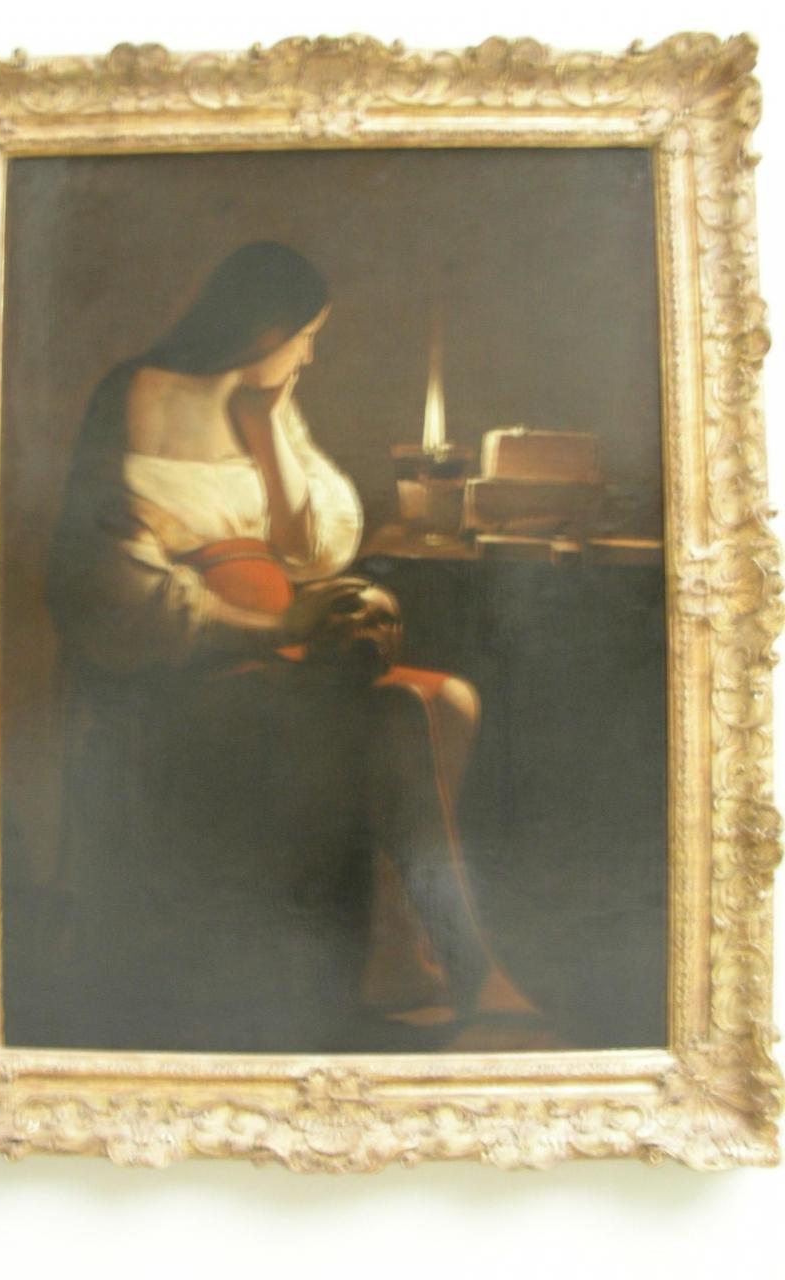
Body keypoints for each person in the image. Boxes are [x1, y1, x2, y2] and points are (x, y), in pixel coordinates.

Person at [38, 241, 532, 1052]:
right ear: (264, 327)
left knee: (452, 699)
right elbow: (113, 592)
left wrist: (269, 428)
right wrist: (280, 626)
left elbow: (313, 551)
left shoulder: (261, 399)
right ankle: (467, 959)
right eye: (306, 336)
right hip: (183, 670)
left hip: (278, 656)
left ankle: (395, 952)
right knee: (394, 712)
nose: (309, 355)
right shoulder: (135, 394)